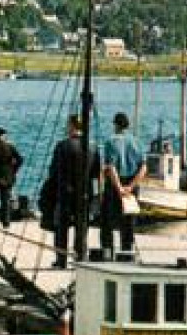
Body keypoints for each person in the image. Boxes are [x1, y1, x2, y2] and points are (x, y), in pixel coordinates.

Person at [46, 115, 98, 268]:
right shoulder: (93, 147)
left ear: (72, 126)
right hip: (85, 193)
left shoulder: (62, 146)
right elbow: (96, 174)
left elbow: (53, 171)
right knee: (82, 227)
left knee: (61, 227)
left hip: (65, 192)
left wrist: (51, 191)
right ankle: (80, 256)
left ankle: (61, 259)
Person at [100, 112, 144, 260]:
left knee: (107, 221)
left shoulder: (110, 142)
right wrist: (131, 186)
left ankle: (107, 252)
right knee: (128, 223)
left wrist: (119, 187)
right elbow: (143, 168)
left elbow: (111, 167)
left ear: (116, 125)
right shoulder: (136, 142)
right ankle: (127, 253)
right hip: (132, 184)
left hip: (114, 185)